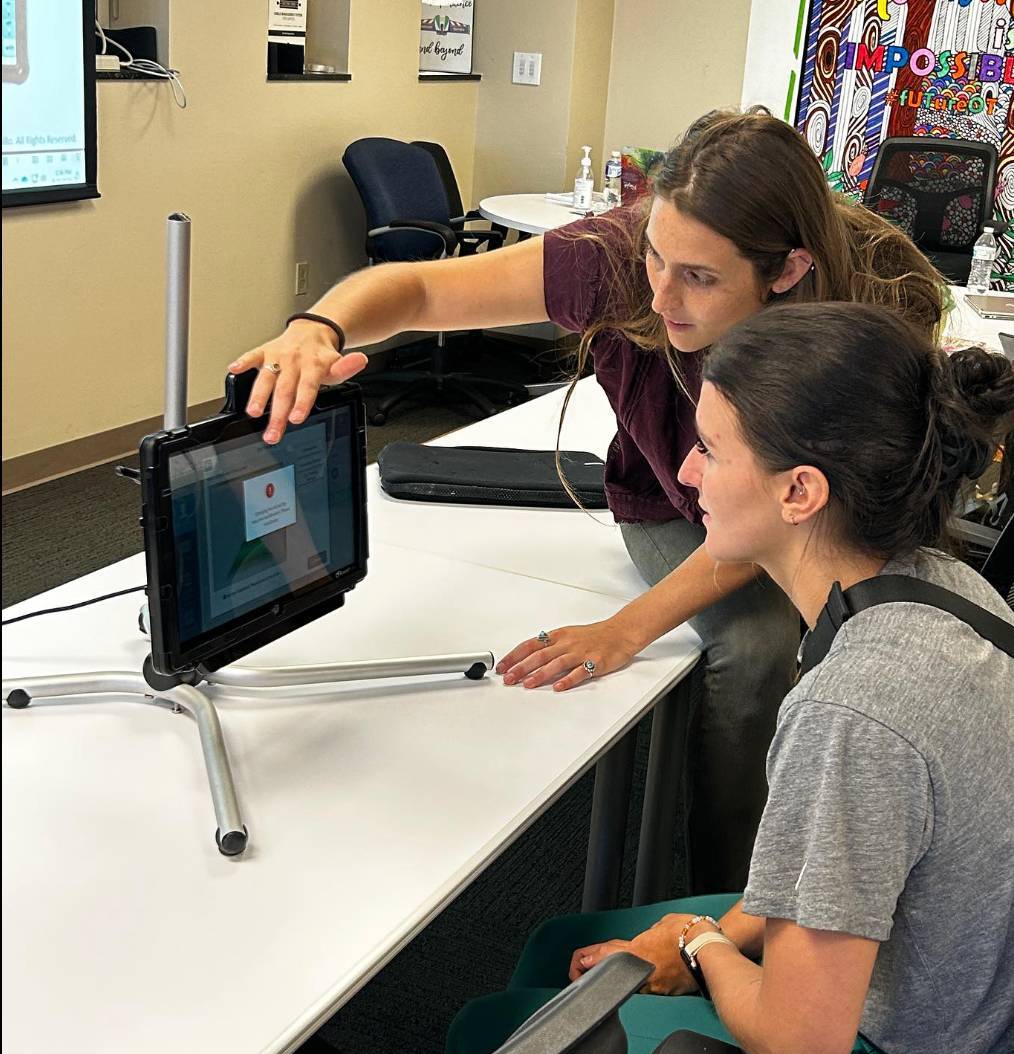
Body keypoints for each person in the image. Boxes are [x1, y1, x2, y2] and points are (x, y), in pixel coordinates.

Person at [228, 109, 948, 892]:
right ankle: (722, 897)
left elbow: (787, 517)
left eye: (700, 277)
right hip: (672, 505)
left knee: (861, 633)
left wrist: (626, 628)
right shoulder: (607, 262)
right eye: (656, 259)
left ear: (786, 270)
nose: (663, 296)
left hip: (802, 510)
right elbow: (419, 289)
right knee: (756, 647)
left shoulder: (858, 314)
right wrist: (319, 326)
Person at [443, 302, 1014, 1054]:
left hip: (906, 1038)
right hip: (968, 986)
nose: (684, 472)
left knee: (486, 1029)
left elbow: (798, 1043)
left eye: (710, 449)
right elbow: (850, 859)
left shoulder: (852, 712)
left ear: (799, 493)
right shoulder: (948, 584)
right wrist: (708, 939)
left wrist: (699, 947)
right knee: (565, 942)